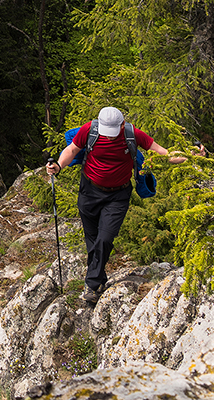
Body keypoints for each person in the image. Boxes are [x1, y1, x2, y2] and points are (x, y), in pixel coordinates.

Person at [44, 106, 192, 305]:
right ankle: (98, 278)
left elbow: (164, 154)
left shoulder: (133, 135)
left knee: (104, 238)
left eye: (113, 132)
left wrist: (190, 156)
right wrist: (59, 166)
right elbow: (72, 150)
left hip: (118, 195)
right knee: (92, 239)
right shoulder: (90, 130)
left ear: (122, 125)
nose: (110, 137)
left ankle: (92, 285)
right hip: (89, 191)